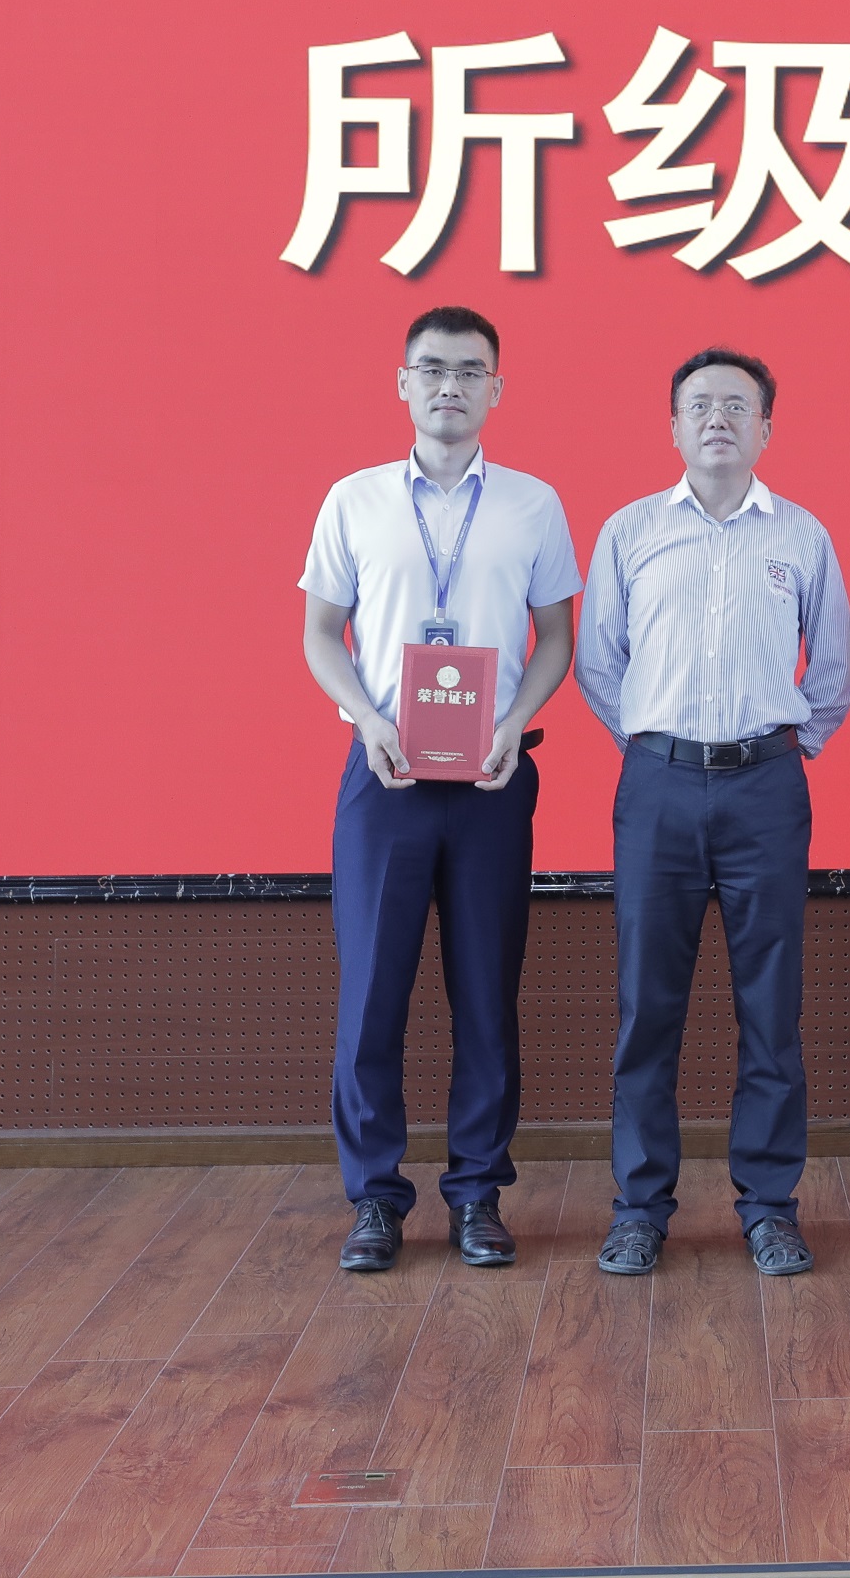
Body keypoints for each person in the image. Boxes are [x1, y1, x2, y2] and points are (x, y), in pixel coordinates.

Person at [299, 304, 579, 1273]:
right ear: (402, 383)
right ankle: (375, 1198)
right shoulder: (355, 500)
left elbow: (557, 637)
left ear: (497, 387)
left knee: (486, 991)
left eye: (469, 370)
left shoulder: (534, 504)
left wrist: (513, 724)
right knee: (372, 991)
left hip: (495, 776)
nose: (449, 385)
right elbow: (320, 632)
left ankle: (477, 1193)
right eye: (432, 368)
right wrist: (366, 717)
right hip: (385, 775)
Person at [577, 348, 850, 1278]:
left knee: (770, 1008)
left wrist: (783, 748)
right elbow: (599, 663)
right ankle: (639, 1209)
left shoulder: (802, 536)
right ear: (672, 426)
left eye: (737, 406)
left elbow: (835, 670)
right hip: (657, 787)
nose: (717, 420)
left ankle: (770, 1207)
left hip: (765, 791)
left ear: (766, 428)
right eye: (699, 405)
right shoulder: (629, 532)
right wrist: (656, 744)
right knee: (645, 1008)